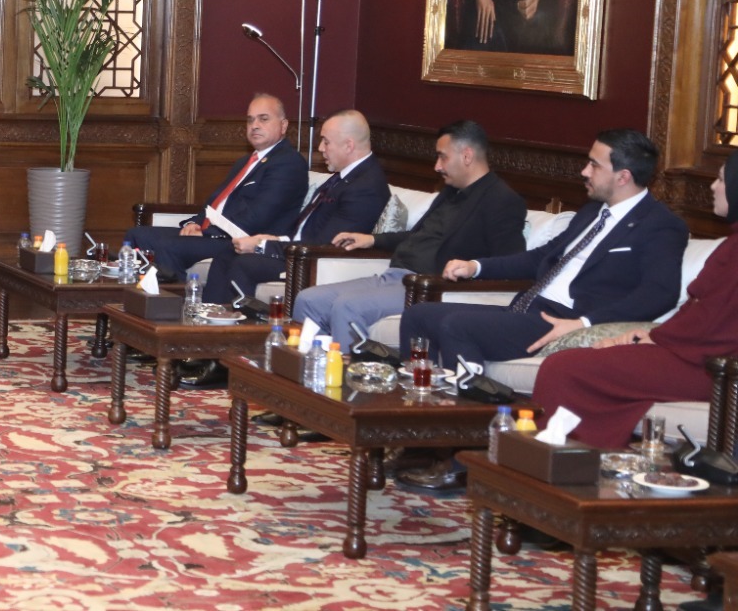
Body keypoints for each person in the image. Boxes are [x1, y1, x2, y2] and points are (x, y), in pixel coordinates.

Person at [404, 129, 689, 371]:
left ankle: (467, 409)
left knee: (456, 325)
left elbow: (660, 294)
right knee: (419, 315)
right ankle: (416, 401)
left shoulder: (660, 226)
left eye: (594, 165)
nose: (584, 171)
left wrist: (583, 322)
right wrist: (477, 267)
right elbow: (543, 256)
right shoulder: (592, 212)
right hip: (528, 310)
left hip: (563, 319)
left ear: (623, 176)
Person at [532, 151, 738, 450]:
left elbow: (715, 324)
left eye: (720, 180)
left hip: (714, 369)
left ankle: (561, 460)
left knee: (564, 368)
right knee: (575, 362)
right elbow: (700, 311)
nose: (713, 187)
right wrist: (650, 335)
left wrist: (655, 339)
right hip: (689, 352)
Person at [289, 120, 527, 352]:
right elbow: (416, 236)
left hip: (427, 287)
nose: (437, 166)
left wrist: (470, 268)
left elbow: (511, 264)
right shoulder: (450, 192)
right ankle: (308, 371)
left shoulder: (501, 201)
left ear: (467, 156)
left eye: (442, 157)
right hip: (395, 276)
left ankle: (342, 376)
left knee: (347, 306)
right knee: (309, 299)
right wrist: (372, 239)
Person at [197, 109, 390, 306]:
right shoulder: (344, 176)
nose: (320, 148)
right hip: (299, 251)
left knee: (244, 263)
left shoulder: (366, 187)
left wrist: (262, 246)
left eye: (326, 142)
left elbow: (327, 245)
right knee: (228, 253)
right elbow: (305, 231)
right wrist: (271, 239)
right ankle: (210, 318)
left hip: (312, 262)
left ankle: (239, 323)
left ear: (349, 145)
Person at [124, 93, 307, 283]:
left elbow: (258, 217)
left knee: (168, 246)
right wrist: (193, 223)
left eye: (264, 119)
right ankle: (137, 295)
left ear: (283, 125)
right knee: (138, 235)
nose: (255, 125)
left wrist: (207, 233)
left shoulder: (288, 163)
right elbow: (215, 204)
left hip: (240, 241)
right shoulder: (246, 162)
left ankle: (174, 300)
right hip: (213, 233)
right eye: (250, 120)